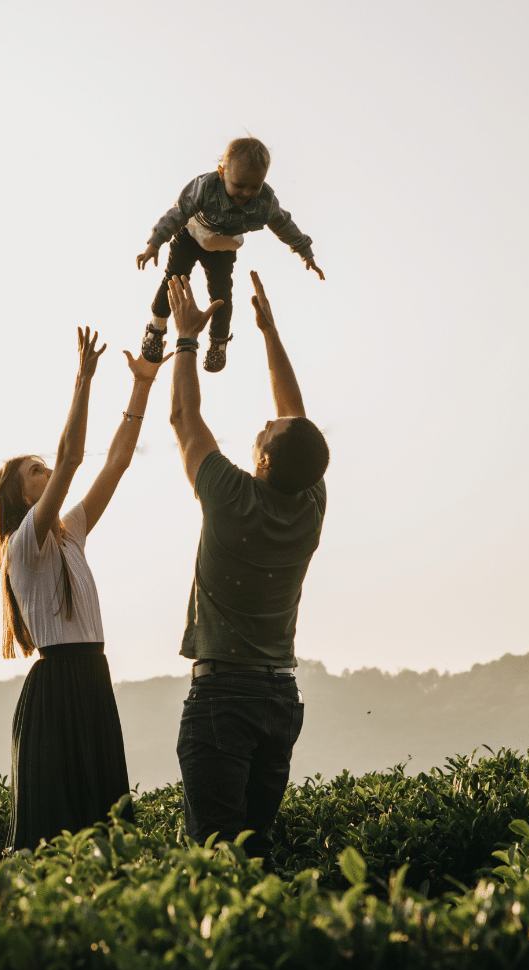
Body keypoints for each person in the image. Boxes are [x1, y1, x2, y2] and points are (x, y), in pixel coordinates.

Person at [167, 270, 329, 871]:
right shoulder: (309, 502)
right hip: (279, 696)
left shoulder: (231, 496)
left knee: (215, 861)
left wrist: (186, 339)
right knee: (257, 859)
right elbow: (298, 420)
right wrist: (269, 333)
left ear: (262, 459)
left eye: (264, 431)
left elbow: (186, 420)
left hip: (224, 698)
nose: (263, 422)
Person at [0, 328, 171, 852]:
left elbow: (115, 462)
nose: (48, 472)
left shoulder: (70, 532)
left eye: (44, 467)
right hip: (58, 689)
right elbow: (72, 459)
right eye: (36, 470)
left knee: (105, 829)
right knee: (56, 835)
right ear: (18, 494)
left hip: (92, 678)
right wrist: (83, 380)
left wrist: (142, 386)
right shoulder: (24, 543)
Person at [136, 136, 324, 373]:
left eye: (254, 186)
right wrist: (155, 242)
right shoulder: (205, 187)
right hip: (191, 234)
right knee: (174, 279)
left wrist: (305, 251)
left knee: (221, 294)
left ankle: (218, 342)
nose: (246, 193)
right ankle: (156, 327)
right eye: (239, 185)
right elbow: (178, 213)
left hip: (222, 247)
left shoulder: (265, 202)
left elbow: (283, 224)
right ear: (222, 172)